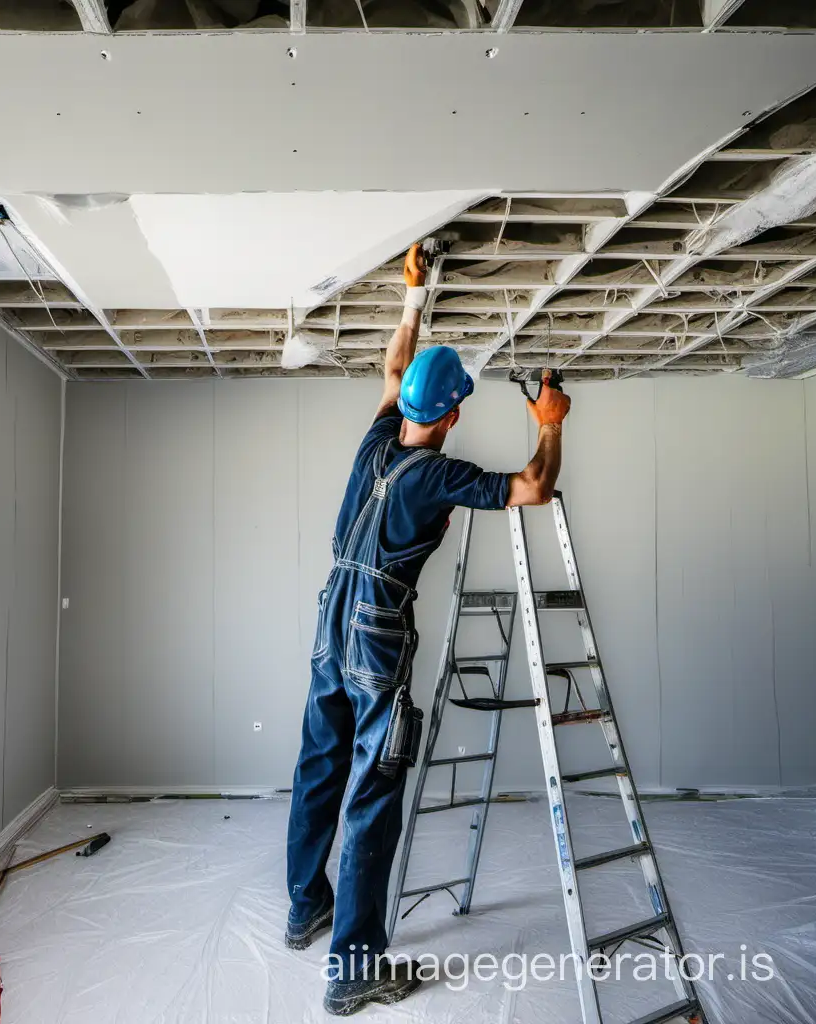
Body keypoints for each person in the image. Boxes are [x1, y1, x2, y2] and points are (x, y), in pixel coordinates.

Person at [283, 241, 572, 1016]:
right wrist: (550, 423)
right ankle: (354, 969)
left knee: (321, 765)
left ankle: (303, 906)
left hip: (332, 613)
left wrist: (413, 294)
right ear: (448, 414)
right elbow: (535, 487)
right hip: (375, 631)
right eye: (457, 408)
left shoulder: (376, 441)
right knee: (374, 789)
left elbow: (393, 369)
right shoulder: (443, 474)